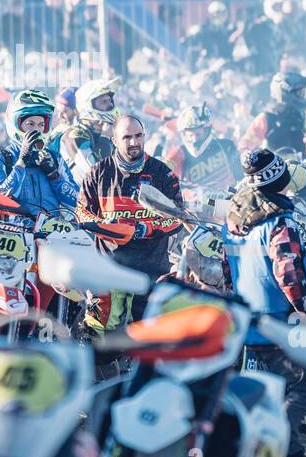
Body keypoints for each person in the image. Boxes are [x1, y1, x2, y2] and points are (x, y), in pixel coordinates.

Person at [223, 148, 306, 457]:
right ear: (280, 180)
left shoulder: (234, 223)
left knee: (273, 393)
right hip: (281, 321)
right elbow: (289, 272)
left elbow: (226, 271)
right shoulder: (281, 221)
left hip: (249, 322)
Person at [78, 115, 182, 330]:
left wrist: (147, 227)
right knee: (96, 333)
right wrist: (105, 224)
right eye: (127, 137)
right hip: (108, 267)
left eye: (138, 136)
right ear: (115, 140)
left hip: (151, 270)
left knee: (149, 339)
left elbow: (178, 218)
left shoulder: (163, 173)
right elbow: (81, 212)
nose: (134, 142)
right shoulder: (98, 172)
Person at [0, 88, 78, 214]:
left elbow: (77, 203)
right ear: (16, 124)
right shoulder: (1, 158)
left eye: (41, 125)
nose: (37, 130)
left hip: (53, 231)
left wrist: (55, 176)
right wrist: (21, 162)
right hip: (14, 231)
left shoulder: (55, 158)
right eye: (30, 124)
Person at [163, 103, 238, 198]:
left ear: (207, 130)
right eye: (190, 135)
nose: (194, 139)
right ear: (183, 134)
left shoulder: (227, 146)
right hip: (196, 208)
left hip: (231, 200)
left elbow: (240, 176)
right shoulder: (179, 153)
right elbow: (162, 172)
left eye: (198, 134)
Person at [53, 76, 120, 182]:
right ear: (89, 105)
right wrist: (106, 139)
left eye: (110, 100)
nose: (110, 104)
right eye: (104, 101)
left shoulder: (103, 132)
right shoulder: (74, 135)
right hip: (78, 196)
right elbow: (98, 175)